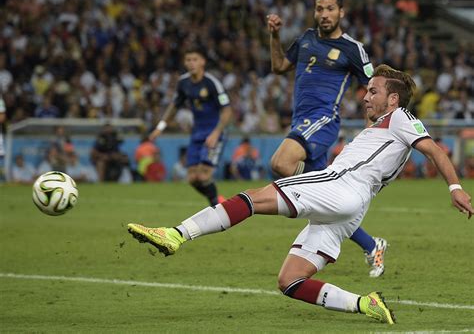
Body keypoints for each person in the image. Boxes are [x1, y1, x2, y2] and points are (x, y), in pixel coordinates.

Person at [127, 65, 473, 324]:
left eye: (373, 90)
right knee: (290, 280)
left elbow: (435, 151)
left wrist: (455, 188)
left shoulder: (399, 117)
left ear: (392, 98)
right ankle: (365, 304)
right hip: (352, 208)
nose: (366, 95)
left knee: (251, 198)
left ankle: (175, 234)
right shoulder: (382, 126)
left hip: (339, 185)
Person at [266, 0, 386, 277]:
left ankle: (312, 198)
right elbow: (280, 66)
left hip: (323, 119)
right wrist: (273, 36)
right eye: (319, 9)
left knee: (280, 164)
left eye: (330, 9)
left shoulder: (351, 48)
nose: (324, 14)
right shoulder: (306, 38)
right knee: (327, 203)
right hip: (300, 121)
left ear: (341, 12)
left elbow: (373, 87)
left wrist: (372, 128)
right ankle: (373, 245)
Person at [149, 47, 232, 206]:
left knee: (203, 175)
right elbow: (174, 106)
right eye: (188, 60)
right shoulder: (183, 82)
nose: (191, 63)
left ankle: (219, 205)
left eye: (195, 59)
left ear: (203, 62)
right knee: (192, 178)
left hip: (214, 132)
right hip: (197, 133)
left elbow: (227, 110)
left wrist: (216, 133)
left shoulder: (212, 83)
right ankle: (216, 201)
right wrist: (160, 127)